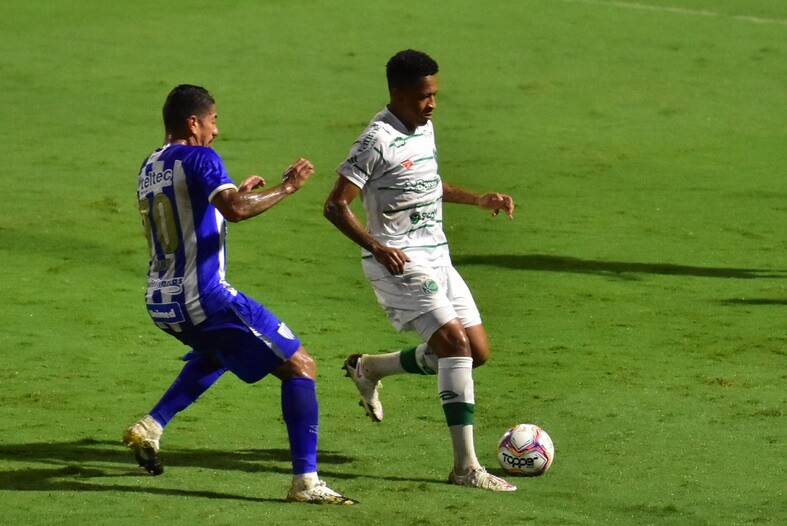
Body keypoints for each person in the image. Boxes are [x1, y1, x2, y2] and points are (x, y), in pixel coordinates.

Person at [124, 84, 356, 505]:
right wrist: (287, 188)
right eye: (212, 120)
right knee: (301, 366)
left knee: (221, 352)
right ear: (193, 122)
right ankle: (306, 483)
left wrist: (236, 188)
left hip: (162, 299)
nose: (216, 130)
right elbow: (237, 209)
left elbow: (196, 208)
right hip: (206, 296)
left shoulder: (150, 164)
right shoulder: (200, 156)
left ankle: (152, 426)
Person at [324, 50, 517, 492]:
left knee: (475, 353)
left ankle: (370, 368)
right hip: (399, 260)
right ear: (398, 93)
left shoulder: (424, 128)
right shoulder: (375, 141)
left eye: (434, 95)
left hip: (439, 256)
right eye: (423, 96)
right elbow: (335, 205)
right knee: (454, 345)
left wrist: (478, 199)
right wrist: (377, 245)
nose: (432, 104)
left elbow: (428, 184)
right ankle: (465, 467)